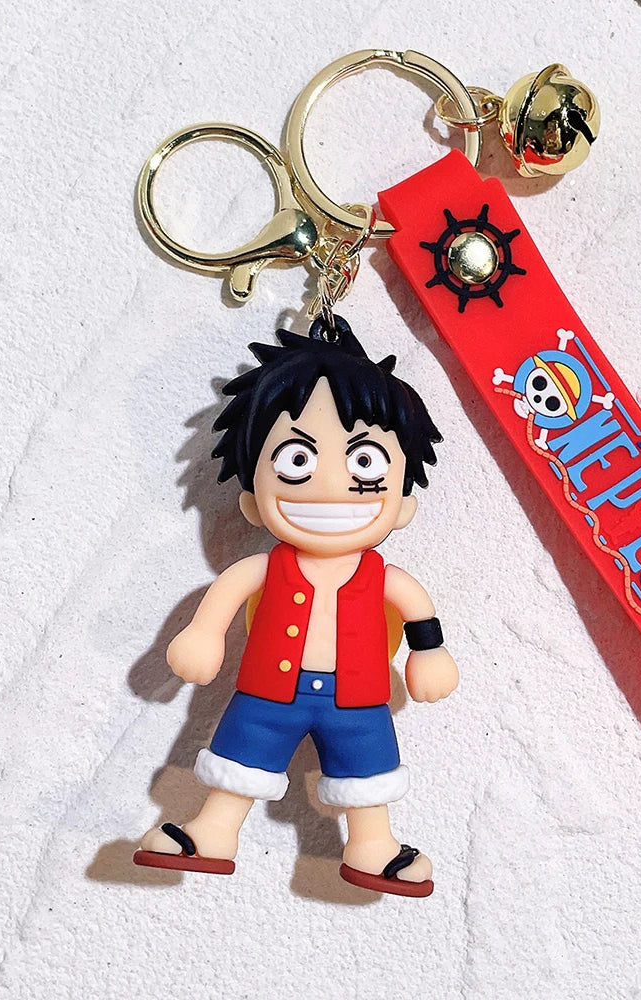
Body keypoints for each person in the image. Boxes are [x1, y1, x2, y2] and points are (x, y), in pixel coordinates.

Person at [134, 316, 459, 897]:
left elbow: (418, 612)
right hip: (267, 693)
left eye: (364, 464)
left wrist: (429, 653)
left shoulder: (383, 576)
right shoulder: (264, 567)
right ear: (253, 501)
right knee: (240, 757)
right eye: (297, 463)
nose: (330, 487)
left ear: (402, 504)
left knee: (367, 772)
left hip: (358, 700)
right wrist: (204, 634)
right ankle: (212, 831)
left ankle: (374, 846)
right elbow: (226, 594)